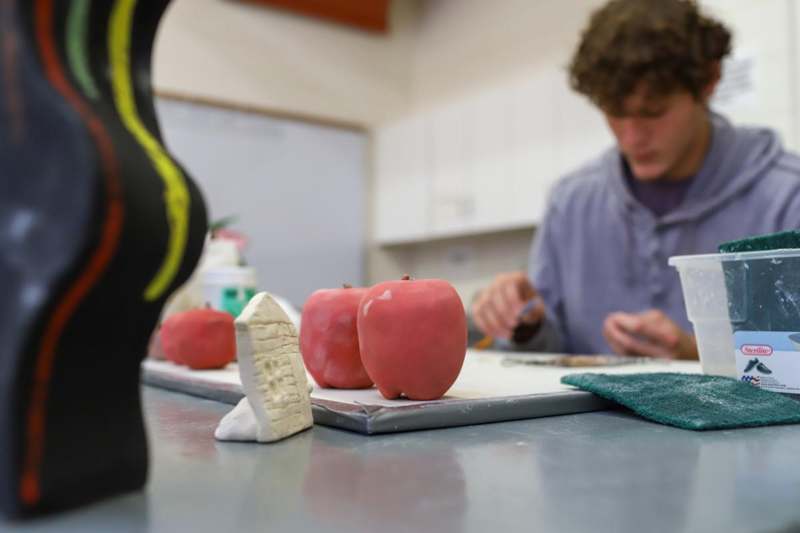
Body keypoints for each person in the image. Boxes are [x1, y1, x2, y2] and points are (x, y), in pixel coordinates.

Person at [471, 0, 800, 359]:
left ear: (709, 81)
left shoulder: (786, 197)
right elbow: (553, 351)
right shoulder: (570, 203)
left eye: (652, 112)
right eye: (616, 113)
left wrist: (699, 355)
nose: (631, 137)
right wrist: (525, 324)